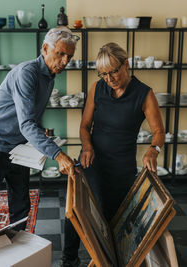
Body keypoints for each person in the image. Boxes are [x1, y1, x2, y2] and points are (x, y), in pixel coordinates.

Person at [0, 27, 79, 246]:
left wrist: (40, 134)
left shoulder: (49, 77)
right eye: (60, 54)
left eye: (69, 56)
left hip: (18, 148)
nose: (65, 61)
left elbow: (30, 118)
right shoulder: (27, 72)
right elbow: (25, 124)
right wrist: (58, 155)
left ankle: (16, 253)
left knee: (21, 206)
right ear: (45, 48)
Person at [61, 42, 165, 266]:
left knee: (111, 220)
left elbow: (159, 132)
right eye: (104, 74)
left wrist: (153, 150)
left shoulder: (144, 94)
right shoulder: (97, 89)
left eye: (113, 72)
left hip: (122, 167)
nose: (109, 79)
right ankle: (69, 260)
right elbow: (84, 126)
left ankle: (107, 260)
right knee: (77, 210)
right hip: (92, 161)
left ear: (126, 64)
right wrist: (87, 147)